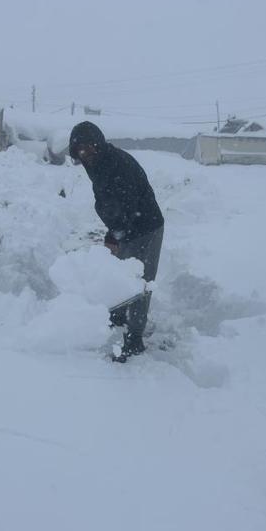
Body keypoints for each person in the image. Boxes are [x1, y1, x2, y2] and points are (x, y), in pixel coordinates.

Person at [68, 121, 164, 362]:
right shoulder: (97, 162)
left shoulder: (117, 164)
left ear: (98, 144)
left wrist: (114, 236)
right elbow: (108, 201)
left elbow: (127, 204)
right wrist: (114, 232)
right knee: (120, 271)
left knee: (140, 281)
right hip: (126, 225)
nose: (85, 154)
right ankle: (118, 315)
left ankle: (135, 339)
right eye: (80, 151)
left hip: (146, 226)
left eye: (88, 148)